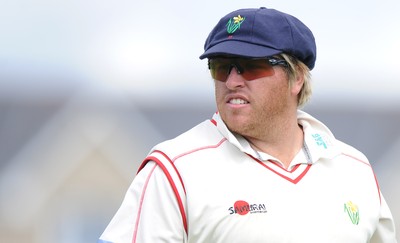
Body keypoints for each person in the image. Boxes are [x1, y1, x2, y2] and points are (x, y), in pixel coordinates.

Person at [98, 7, 397, 243]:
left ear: (297, 78)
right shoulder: (174, 170)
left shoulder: (355, 170)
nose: (231, 81)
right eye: (220, 67)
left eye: (252, 66)